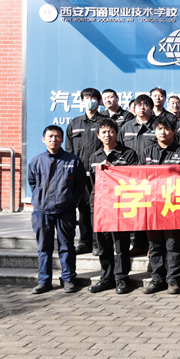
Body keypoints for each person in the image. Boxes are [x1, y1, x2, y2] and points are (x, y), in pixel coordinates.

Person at [140, 117, 180, 294]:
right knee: (154, 245)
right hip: (152, 207)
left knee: (173, 244)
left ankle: (173, 279)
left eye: (166, 129)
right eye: (159, 128)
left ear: (173, 131)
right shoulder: (147, 152)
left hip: (173, 206)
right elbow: (138, 177)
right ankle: (157, 279)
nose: (162, 132)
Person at [28, 125, 86, 294]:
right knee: (43, 248)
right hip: (42, 211)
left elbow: (80, 185)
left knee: (66, 246)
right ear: (44, 139)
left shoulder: (73, 160)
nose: (54, 139)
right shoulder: (36, 160)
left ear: (62, 139)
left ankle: (68, 279)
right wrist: (40, 198)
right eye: (50, 136)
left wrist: (70, 200)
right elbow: (32, 183)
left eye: (57, 136)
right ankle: (44, 281)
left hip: (65, 210)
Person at [87, 119, 138, 294]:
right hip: (100, 207)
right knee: (103, 245)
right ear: (98, 135)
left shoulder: (129, 154)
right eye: (103, 132)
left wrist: (114, 169)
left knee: (121, 245)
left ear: (116, 133)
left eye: (110, 131)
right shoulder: (94, 157)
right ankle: (106, 278)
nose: (107, 135)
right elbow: (90, 183)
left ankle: (122, 278)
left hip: (120, 205)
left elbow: (133, 179)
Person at [65, 87, 107, 255]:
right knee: (83, 208)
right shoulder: (74, 123)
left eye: (93, 98)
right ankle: (85, 242)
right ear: (82, 101)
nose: (90, 101)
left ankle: (98, 243)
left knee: (98, 208)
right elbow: (69, 150)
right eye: (86, 98)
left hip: (100, 173)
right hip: (80, 173)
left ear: (99, 101)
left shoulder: (105, 122)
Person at [117, 94, 156, 256]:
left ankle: (153, 246)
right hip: (132, 177)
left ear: (151, 108)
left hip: (153, 177)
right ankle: (139, 244)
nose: (142, 108)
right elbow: (119, 149)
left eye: (146, 105)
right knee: (138, 210)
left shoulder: (158, 126)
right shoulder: (126, 127)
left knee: (153, 212)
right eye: (139, 105)